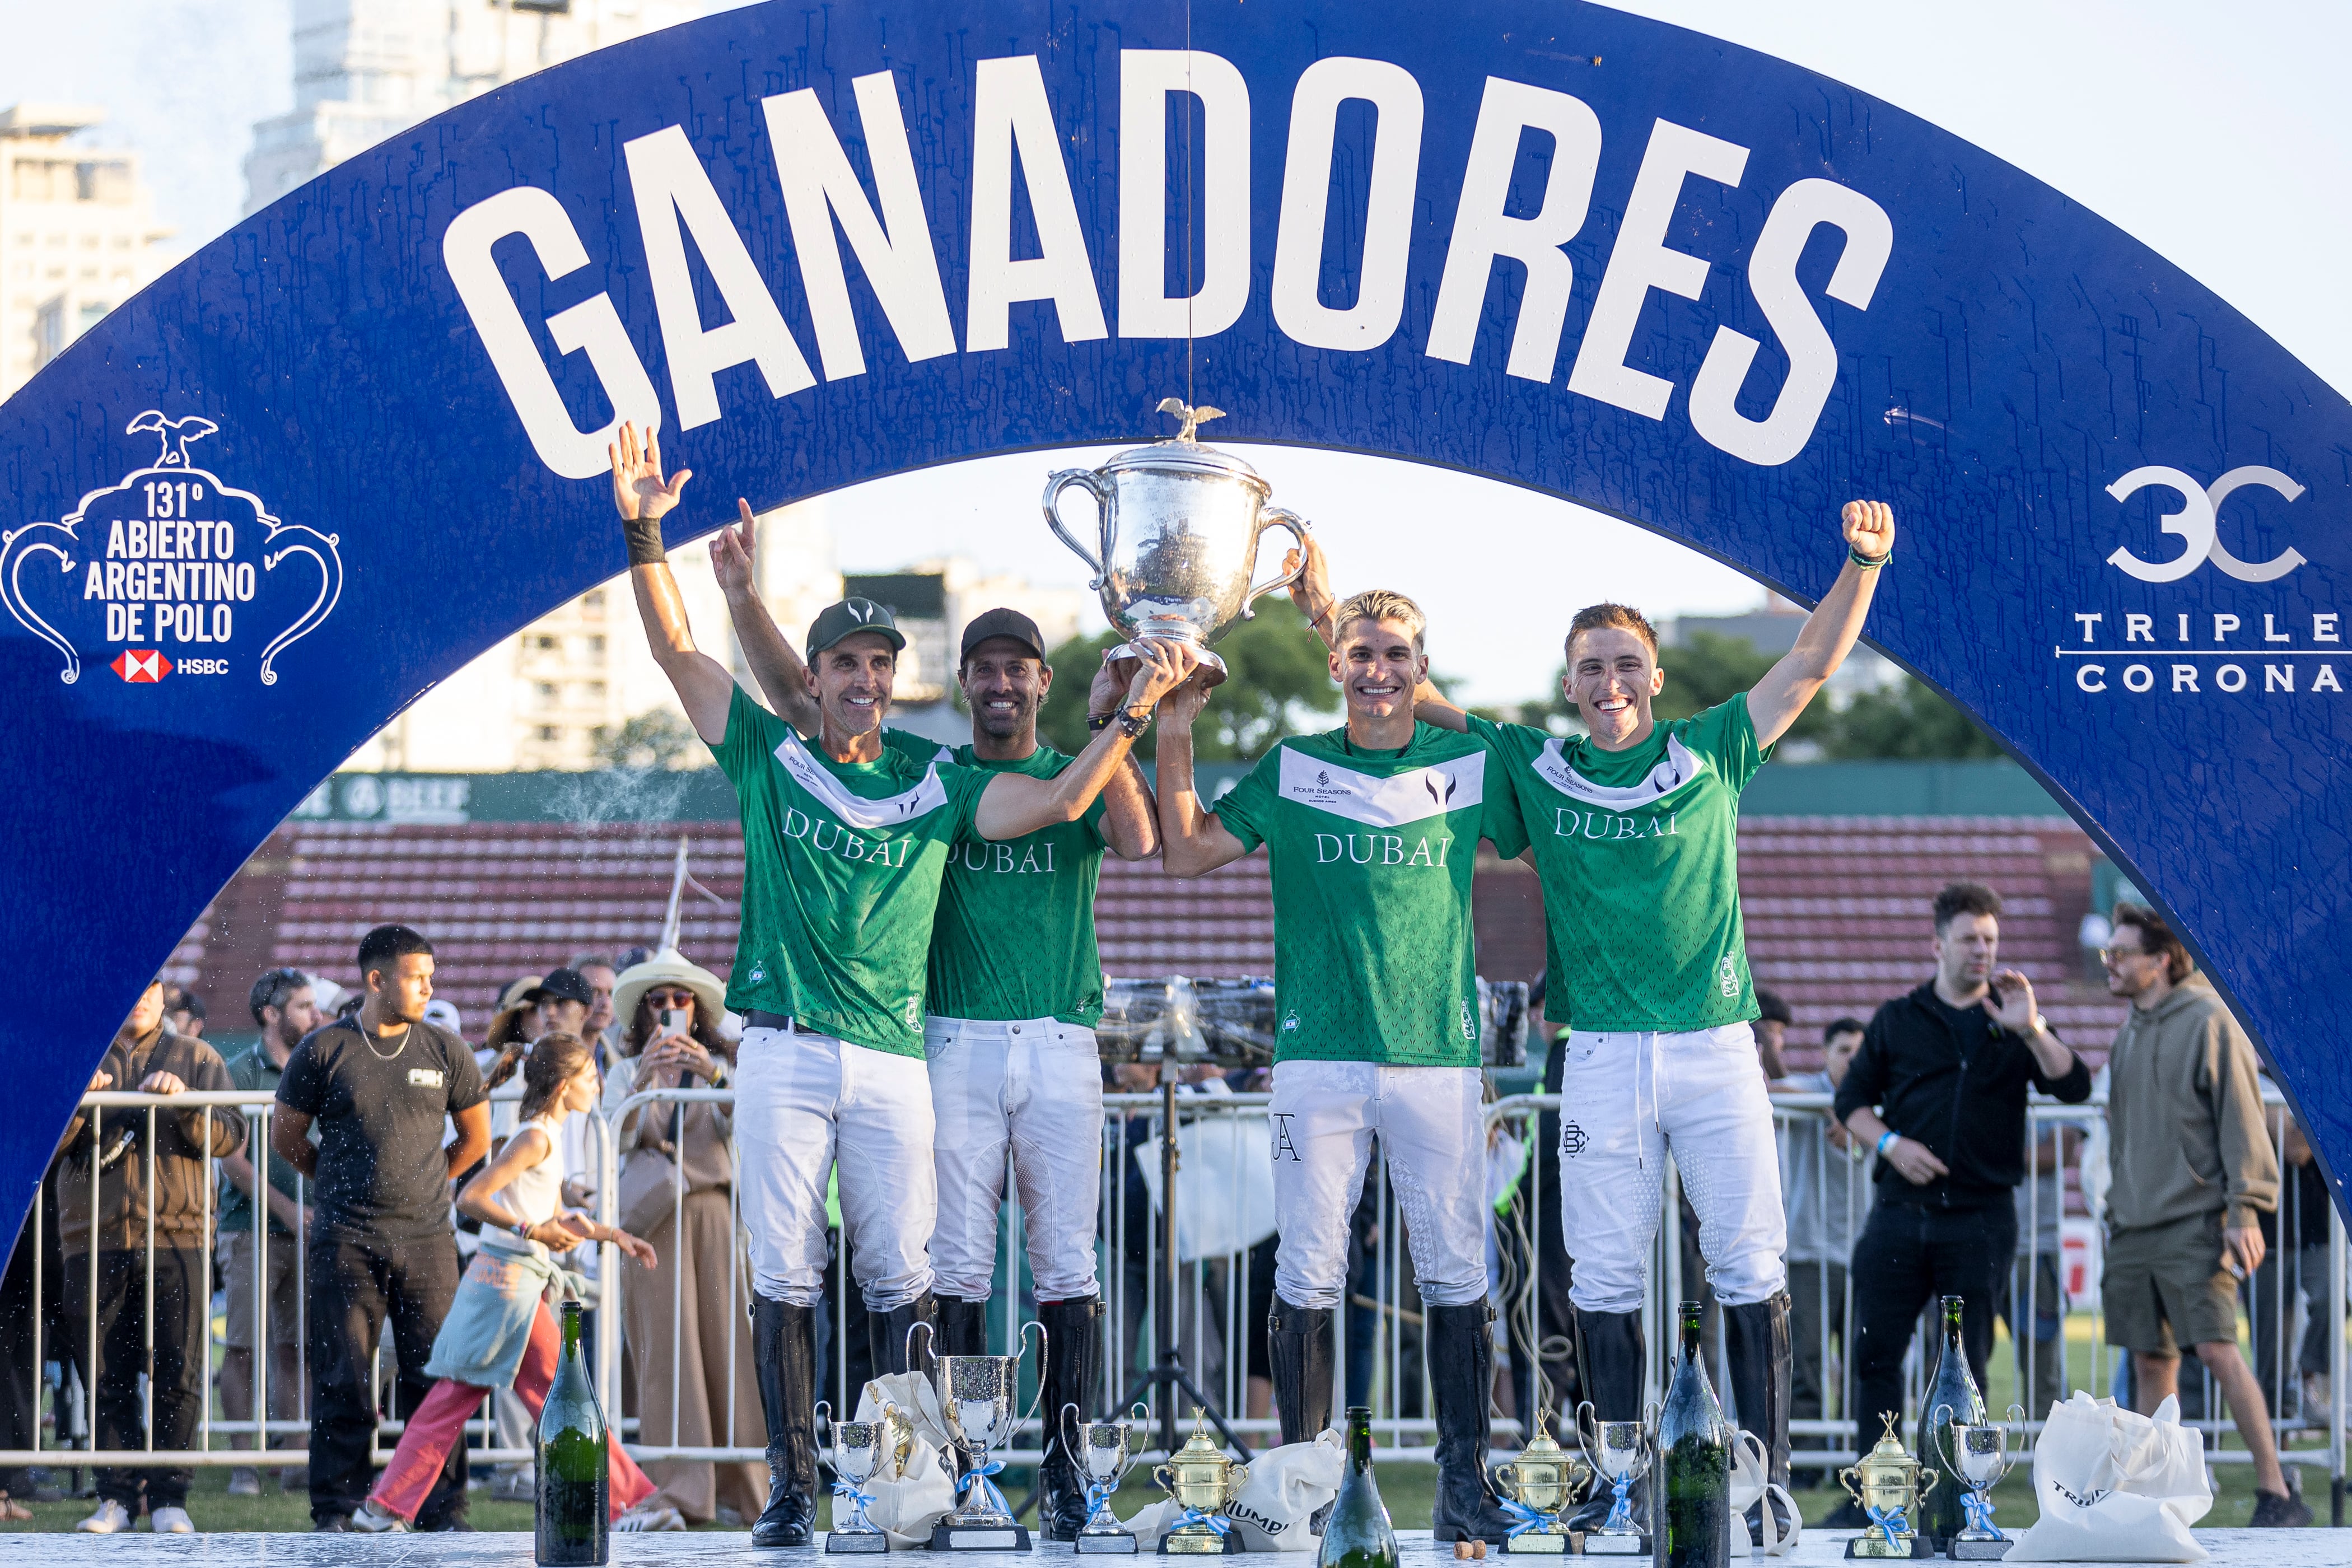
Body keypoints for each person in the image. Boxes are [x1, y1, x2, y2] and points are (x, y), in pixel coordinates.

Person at [605, 421, 1193, 1546]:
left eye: (879, 666)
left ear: (895, 678)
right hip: (781, 1040)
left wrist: (1126, 711)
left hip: (895, 1053)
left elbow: (1068, 806)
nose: (864, 682)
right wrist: (646, 533)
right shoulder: (769, 755)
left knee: (903, 1278)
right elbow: (679, 652)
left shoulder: (938, 774)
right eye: (844, 666)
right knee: (787, 1268)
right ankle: (791, 1489)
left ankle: (907, 1480)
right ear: (814, 681)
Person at [1354, 500, 1898, 1536]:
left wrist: (1862, 565)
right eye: (1592, 669)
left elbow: (1812, 664)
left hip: (1714, 1039)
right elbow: (1409, 692)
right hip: (1596, 1051)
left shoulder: (1711, 750)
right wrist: (1318, 608)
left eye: (1627, 665)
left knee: (1748, 1262)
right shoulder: (1539, 763)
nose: (1610, 684)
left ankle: (1765, 1480)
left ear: (1656, 678)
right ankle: (1615, 1474)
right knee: (1601, 1274)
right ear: (1570, 687)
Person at [727, 563, 1160, 1539]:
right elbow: (805, 698)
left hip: (1059, 1037)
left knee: (1066, 1267)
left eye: (1021, 671)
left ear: (1044, 682)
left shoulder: (1072, 769)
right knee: (952, 1270)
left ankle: (1063, 1470)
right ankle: (957, 1470)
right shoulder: (938, 780)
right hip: (951, 1037)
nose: (1003, 686)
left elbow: (1134, 839)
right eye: (986, 671)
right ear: (963, 682)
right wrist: (744, 594)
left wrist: (1118, 722)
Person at [1155, 585, 1528, 1544]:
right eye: (1361, 654)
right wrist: (1176, 729)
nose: (1378, 670)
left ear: (1420, 666)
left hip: (1436, 1059)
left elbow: (1532, 800)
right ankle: (1305, 1492)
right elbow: (1189, 854)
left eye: (1397, 654)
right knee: (1307, 1275)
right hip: (1316, 1060)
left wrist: (1341, 616)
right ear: (1337, 667)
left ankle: (1463, 1490)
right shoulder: (1292, 766)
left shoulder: (1469, 762)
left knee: (1453, 1278)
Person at [1830, 883, 2089, 1525]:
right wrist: (1891, 1144)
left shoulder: (2015, 1021)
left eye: (1992, 940)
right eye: (1971, 938)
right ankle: (1879, 1500)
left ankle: (1957, 1502)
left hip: (1979, 1219)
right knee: (1875, 1358)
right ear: (1939, 942)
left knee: (1967, 1368)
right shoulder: (1897, 1017)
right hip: (1898, 1215)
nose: (1983, 950)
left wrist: (2030, 1028)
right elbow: (1851, 1105)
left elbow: (2073, 1081)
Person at [352, 1032, 659, 1531]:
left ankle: (383, 1507)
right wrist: (531, 1230)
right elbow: (472, 1197)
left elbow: (553, 1212)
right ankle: (630, 1502)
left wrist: (612, 1234)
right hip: (506, 1286)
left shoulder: (545, 1134)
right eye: (589, 1075)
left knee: (478, 1398)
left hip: (513, 1285)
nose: (597, 1082)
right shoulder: (536, 1136)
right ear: (564, 1087)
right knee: (555, 1395)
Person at [273, 924, 492, 1532]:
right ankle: (337, 1508)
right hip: (346, 1240)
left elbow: (477, 1139)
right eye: (416, 976)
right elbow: (287, 1138)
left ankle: (439, 1508)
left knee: (436, 1382)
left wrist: (426, 1184)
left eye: (431, 975)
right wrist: (339, 1187)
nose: (429, 986)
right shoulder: (323, 1049)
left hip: (428, 1242)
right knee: (343, 1375)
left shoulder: (446, 1048)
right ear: (377, 979)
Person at [2100, 902, 2309, 1526]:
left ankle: (2278, 1492)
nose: (2108, 962)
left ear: (2160, 960)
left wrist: (2246, 1208)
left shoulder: (2212, 1018)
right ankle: (2152, 1500)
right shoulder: (2128, 1030)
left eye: (2120, 953)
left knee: (2219, 1351)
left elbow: (2244, 1120)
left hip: (2196, 1223)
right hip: (2133, 1226)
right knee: (2148, 1360)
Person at [51, 977, 242, 1534]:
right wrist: (79, 1104)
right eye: (133, 983)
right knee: (103, 1369)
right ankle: (114, 1495)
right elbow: (41, 1144)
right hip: (93, 1236)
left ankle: (169, 1496)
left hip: (178, 1235)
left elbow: (231, 1137)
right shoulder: (77, 1052)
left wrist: (186, 1107)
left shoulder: (199, 1055)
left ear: (165, 995)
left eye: (152, 985)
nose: (140, 994)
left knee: (179, 1367)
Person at [603, 948, 768, 1529]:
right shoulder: (625, 1073)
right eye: (658, 1000)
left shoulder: (724, 1065)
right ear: (643, 1013)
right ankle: (680, 1491)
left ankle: (752, 1490)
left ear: (697, 1008)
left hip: (714, 1218)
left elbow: (750, 1127)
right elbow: (607, 1146)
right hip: (652, 1226)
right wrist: (643, 1085)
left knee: (730, 1351)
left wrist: (715, 1074)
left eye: (681, 999)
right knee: (664, 1356)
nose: (670, 1008)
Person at [217, 968, 320, 1497]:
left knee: (297, 1348)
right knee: (242, 1348)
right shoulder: (235, 1071)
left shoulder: (318, 1068)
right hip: (249, 1228)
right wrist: (284, 1208)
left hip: (305, 1229)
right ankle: (243, 1465)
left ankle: (294, 1459)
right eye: (304, 1006)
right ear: (271, 1015)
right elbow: (231, 1159)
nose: (317, 1015)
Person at [1780, 1017, 1865, 1482]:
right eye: (1844, 1049)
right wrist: (1832, 1107)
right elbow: (1767, 1090)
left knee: (1863, 1362)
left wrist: (1851, 1113)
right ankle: (1810, 1464)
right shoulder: (1808, 1088)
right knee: (1806, 1362)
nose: (1852, 1059)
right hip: (1810, 1249)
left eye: (1859, 1051)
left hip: (1864, 1252)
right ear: (1825, 1054)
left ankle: (1861, 1461)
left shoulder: (1879, 1094)